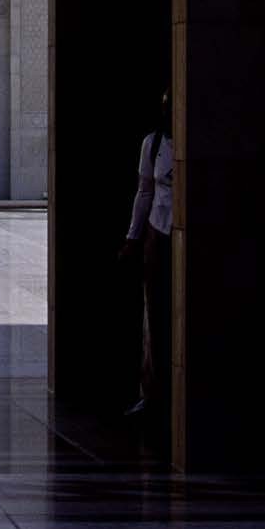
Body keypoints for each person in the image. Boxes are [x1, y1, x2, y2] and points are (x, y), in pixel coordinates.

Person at [119, 89, 173, 424]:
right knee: (153, 314)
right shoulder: (153, 145)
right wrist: (133, 236)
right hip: (158, 232)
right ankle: (151, 392)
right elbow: (145, 192)